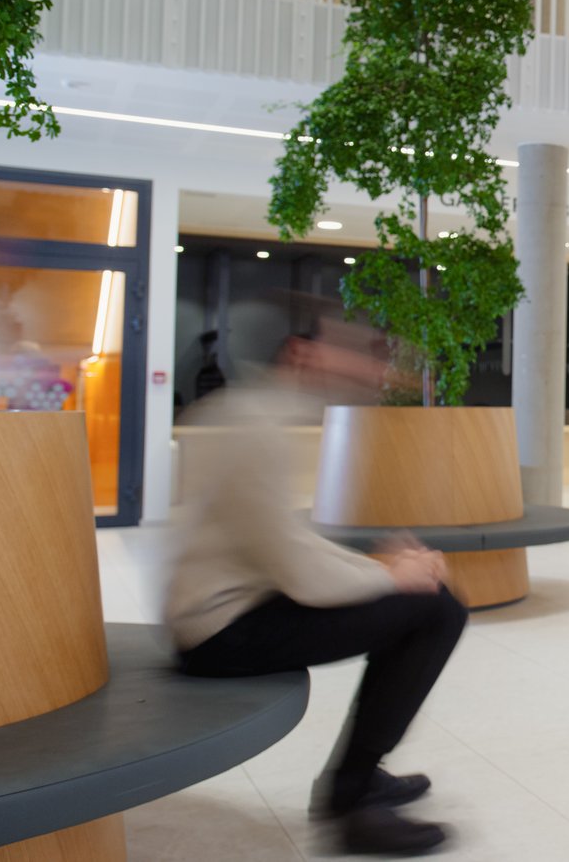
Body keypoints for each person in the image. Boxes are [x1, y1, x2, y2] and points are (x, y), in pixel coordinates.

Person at [163, 325, 465, 856]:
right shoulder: (256, 428)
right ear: (301, 352)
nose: (370, 371)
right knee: (436, 612)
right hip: (221, 631)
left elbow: (283, 540)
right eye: (351, 355)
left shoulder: (253, 414)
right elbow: (293, 565)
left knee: (424, 603)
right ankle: (352, 801)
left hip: (234, 607)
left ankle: (361, 778)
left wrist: (383, 567)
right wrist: (392, 576)